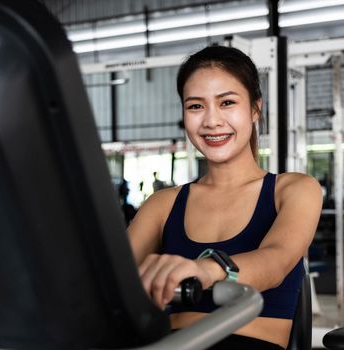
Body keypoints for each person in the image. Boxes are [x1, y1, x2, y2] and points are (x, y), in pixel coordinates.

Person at [127, 45, 322, 350]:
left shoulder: (294, 189)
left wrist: (206, 270)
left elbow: (276, 260)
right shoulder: (163, 204)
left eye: (227, 102)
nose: (211, 121)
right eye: (195, 106)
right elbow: (112, 280)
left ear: (255, 109)